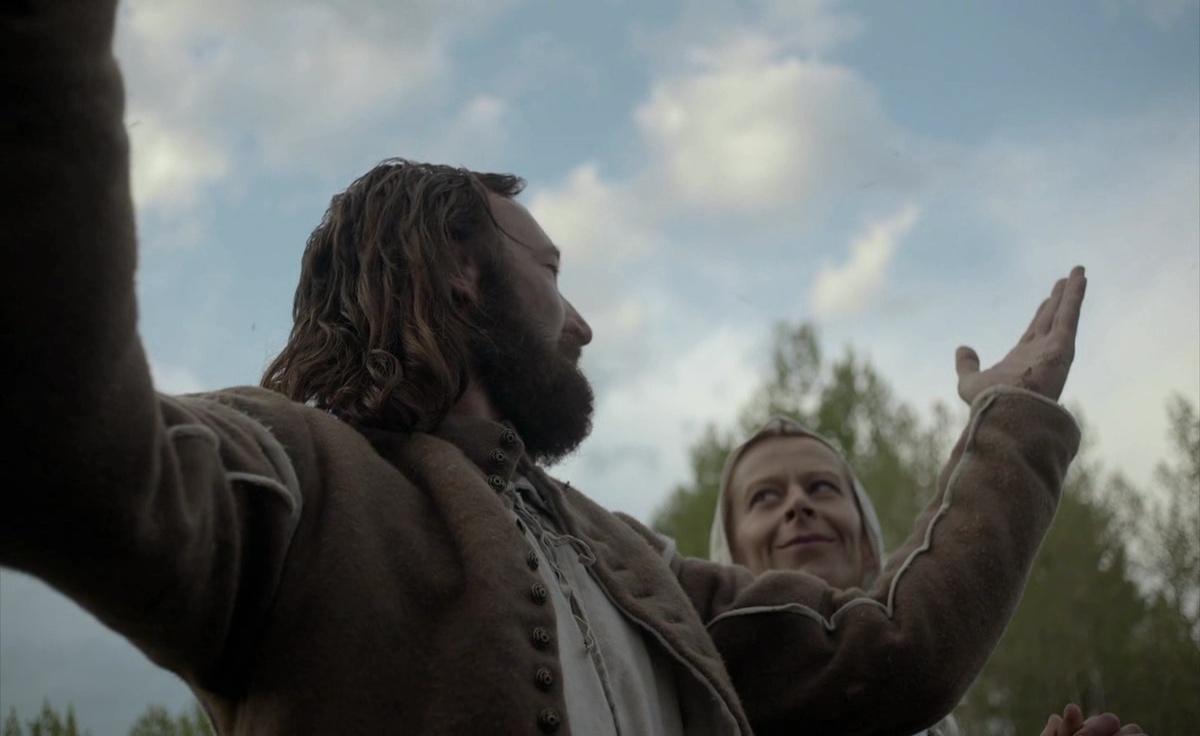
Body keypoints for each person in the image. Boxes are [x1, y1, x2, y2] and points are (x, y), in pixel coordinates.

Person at [2, 2, 1090, 734]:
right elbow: (69, 453)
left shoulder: (636, 563)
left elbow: (896, 654)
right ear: (462, 269)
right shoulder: (299, 479)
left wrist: (1008, 420)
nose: (583, 325)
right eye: (553, 273)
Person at [709, 418, 1147, 736]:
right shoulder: (700, 706)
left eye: (821, 487)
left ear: (868, 542)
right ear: (728, 552)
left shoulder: (932, 714)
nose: (798, 504)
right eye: (764, 497)